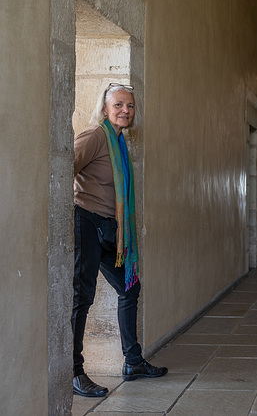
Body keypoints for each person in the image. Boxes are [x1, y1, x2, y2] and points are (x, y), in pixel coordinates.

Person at [71, 83, 167, 398]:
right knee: (82, 297)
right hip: (87, 223)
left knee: (130, 287)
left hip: (112, 231)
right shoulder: (96, 137)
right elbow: (65, 168)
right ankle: (74, 371)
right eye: (119, 105)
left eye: (130, 106)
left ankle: (133, 362)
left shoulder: (120, 142)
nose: (125, 110)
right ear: (106, 107)